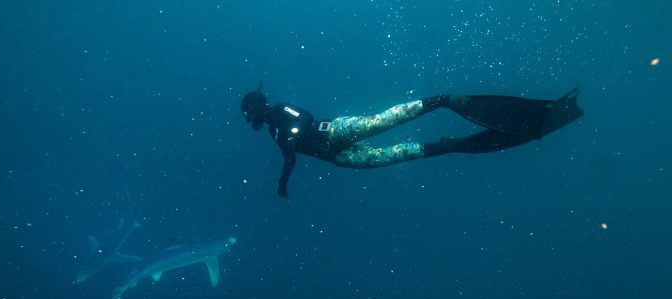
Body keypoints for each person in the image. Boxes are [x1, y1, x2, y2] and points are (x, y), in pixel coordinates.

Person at [240, 81, 583, 197]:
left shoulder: (280, 111)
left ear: (256, 108)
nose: (249, 120)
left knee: (389, 119)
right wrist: (283, 181)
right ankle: (450, 146)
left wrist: (294, 135)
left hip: (335, 132)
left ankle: (442, 101)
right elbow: (289, 156)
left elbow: (306, 118)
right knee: (397, 154)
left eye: (248, 114)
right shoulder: (272, 130)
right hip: (337, 156)